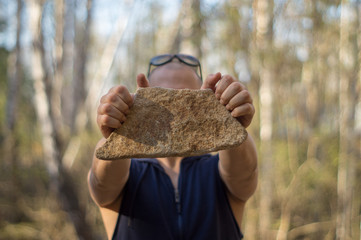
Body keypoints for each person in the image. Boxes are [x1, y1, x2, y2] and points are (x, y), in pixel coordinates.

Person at [88, 54, 258, 240]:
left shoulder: (218, 172)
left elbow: (245, 173)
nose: (173, 113)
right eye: (163, 97)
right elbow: (101, 182)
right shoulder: (127, 172)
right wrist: (117, 134)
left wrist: (231, 123)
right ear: (140, 103)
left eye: (185, 97)